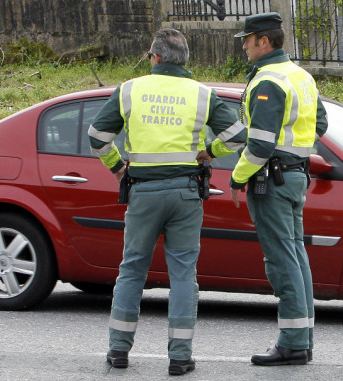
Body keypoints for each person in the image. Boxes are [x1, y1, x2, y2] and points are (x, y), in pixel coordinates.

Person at [88, 28, 246, 376]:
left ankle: (118, 351)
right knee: (183, 274)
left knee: (132, 270)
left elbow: (97, 137)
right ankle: (180, 357)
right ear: (185, 60)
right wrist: (209, 152)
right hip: (186, 193)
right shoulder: (201, 95)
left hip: (143, 192)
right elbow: (238, 137)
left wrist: (117, 168)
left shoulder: (130, 90)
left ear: (155, 57)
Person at [230, 12, 328, 366]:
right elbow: (321, 123)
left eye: (247, 39)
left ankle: (292, 343)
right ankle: (302, 339)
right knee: (296, 257)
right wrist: (295, 152)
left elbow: (259, 145)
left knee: (281, 260)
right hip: (295, 176)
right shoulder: (300, 75)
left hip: (271, 178)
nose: (244, 45)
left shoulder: (268, 81)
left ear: (264, 42)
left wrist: (237, 177)